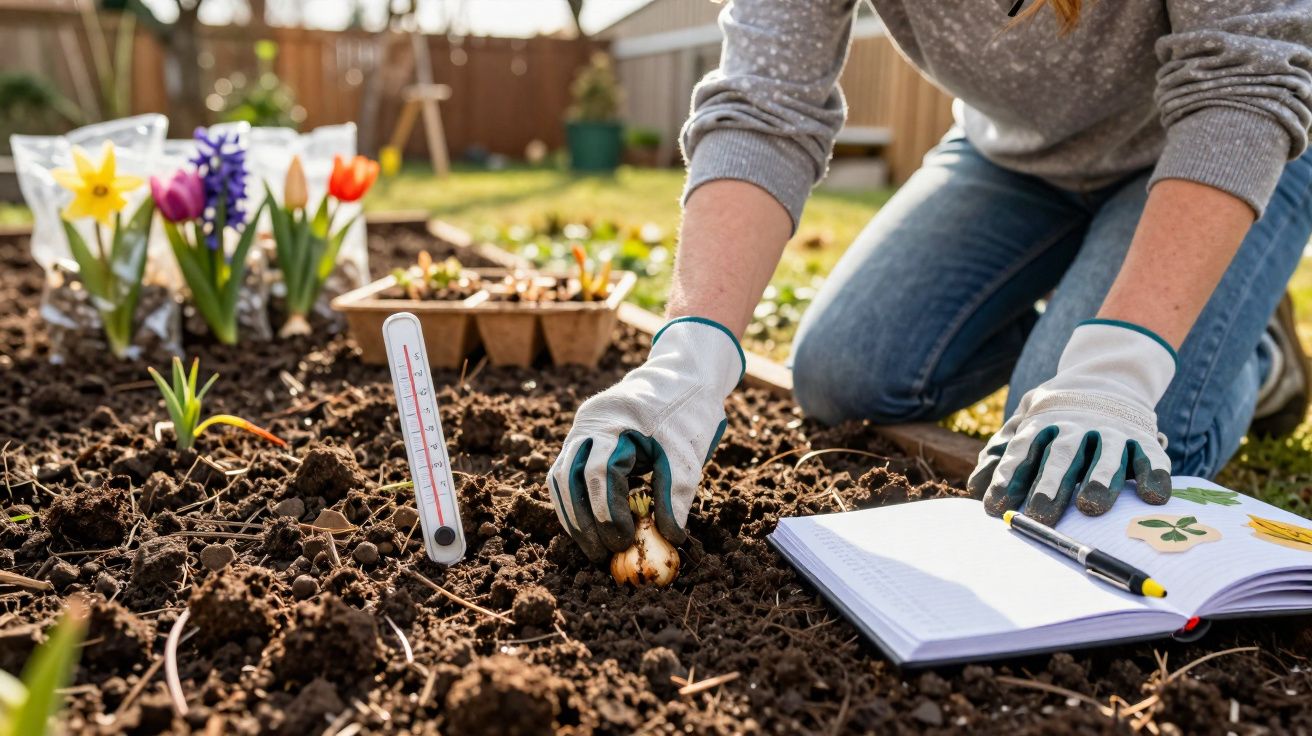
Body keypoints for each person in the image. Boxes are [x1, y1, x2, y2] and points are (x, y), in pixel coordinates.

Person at [549, 0, 1312, 561]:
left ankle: (1255, 353)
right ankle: (1100, 301)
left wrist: (1117, 367)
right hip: (1017, 159)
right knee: (842, 374)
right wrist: (687, 359)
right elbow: (763, 103)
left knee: (1082, 468)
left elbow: (1244, 80)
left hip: (1228, 138)